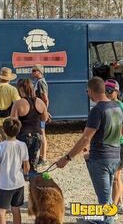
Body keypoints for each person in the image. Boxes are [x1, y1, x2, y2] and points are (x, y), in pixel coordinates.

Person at [56, 76, 123, 224]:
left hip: (101, 159)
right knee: (107, 197)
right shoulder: (117, 106)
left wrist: (67, 158)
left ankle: (106, 221)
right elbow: (117, 132)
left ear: (92, 90)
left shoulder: (97, 110)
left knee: (105, 200)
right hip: (115, 156)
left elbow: (85, 138)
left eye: (87, 91)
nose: (88, 94)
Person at [0, 117, 30, 224]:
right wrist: (24, 173)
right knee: (16, 208)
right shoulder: (22, 145)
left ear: (4, 130)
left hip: (5, 184)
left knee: (1, 210)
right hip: (19, 182)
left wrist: (0, 173)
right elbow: (27, 167)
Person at [10, 78, 48, 174]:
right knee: (32, 163)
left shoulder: (18, 103)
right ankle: (32, 179)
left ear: (21, 90)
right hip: (37, 135)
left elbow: (13, 121)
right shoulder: (40, 102)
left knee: (21, 163)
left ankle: (22, 179)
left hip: (23, 135)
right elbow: (44, 118)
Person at [105, 79, 123, 214]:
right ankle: (119, 203)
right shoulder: (105, 105)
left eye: (110, 91)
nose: (108, 93)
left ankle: (113, 209)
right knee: (116, 177)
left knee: (115, 177)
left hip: (119, 145)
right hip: (110, 145)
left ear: (117, 92)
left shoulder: (120, 106)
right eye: (105, 91)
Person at [32, 64, 49, 165]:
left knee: (42, 134)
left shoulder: (41, 83)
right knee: (39, 133)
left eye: (34, 70)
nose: (32, 72)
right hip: (38, 111)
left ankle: (44, 158)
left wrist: (44, 111)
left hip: (40, 112)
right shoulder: (37, 82)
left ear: (40, 72)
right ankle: (40, 157)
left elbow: (45, 98)